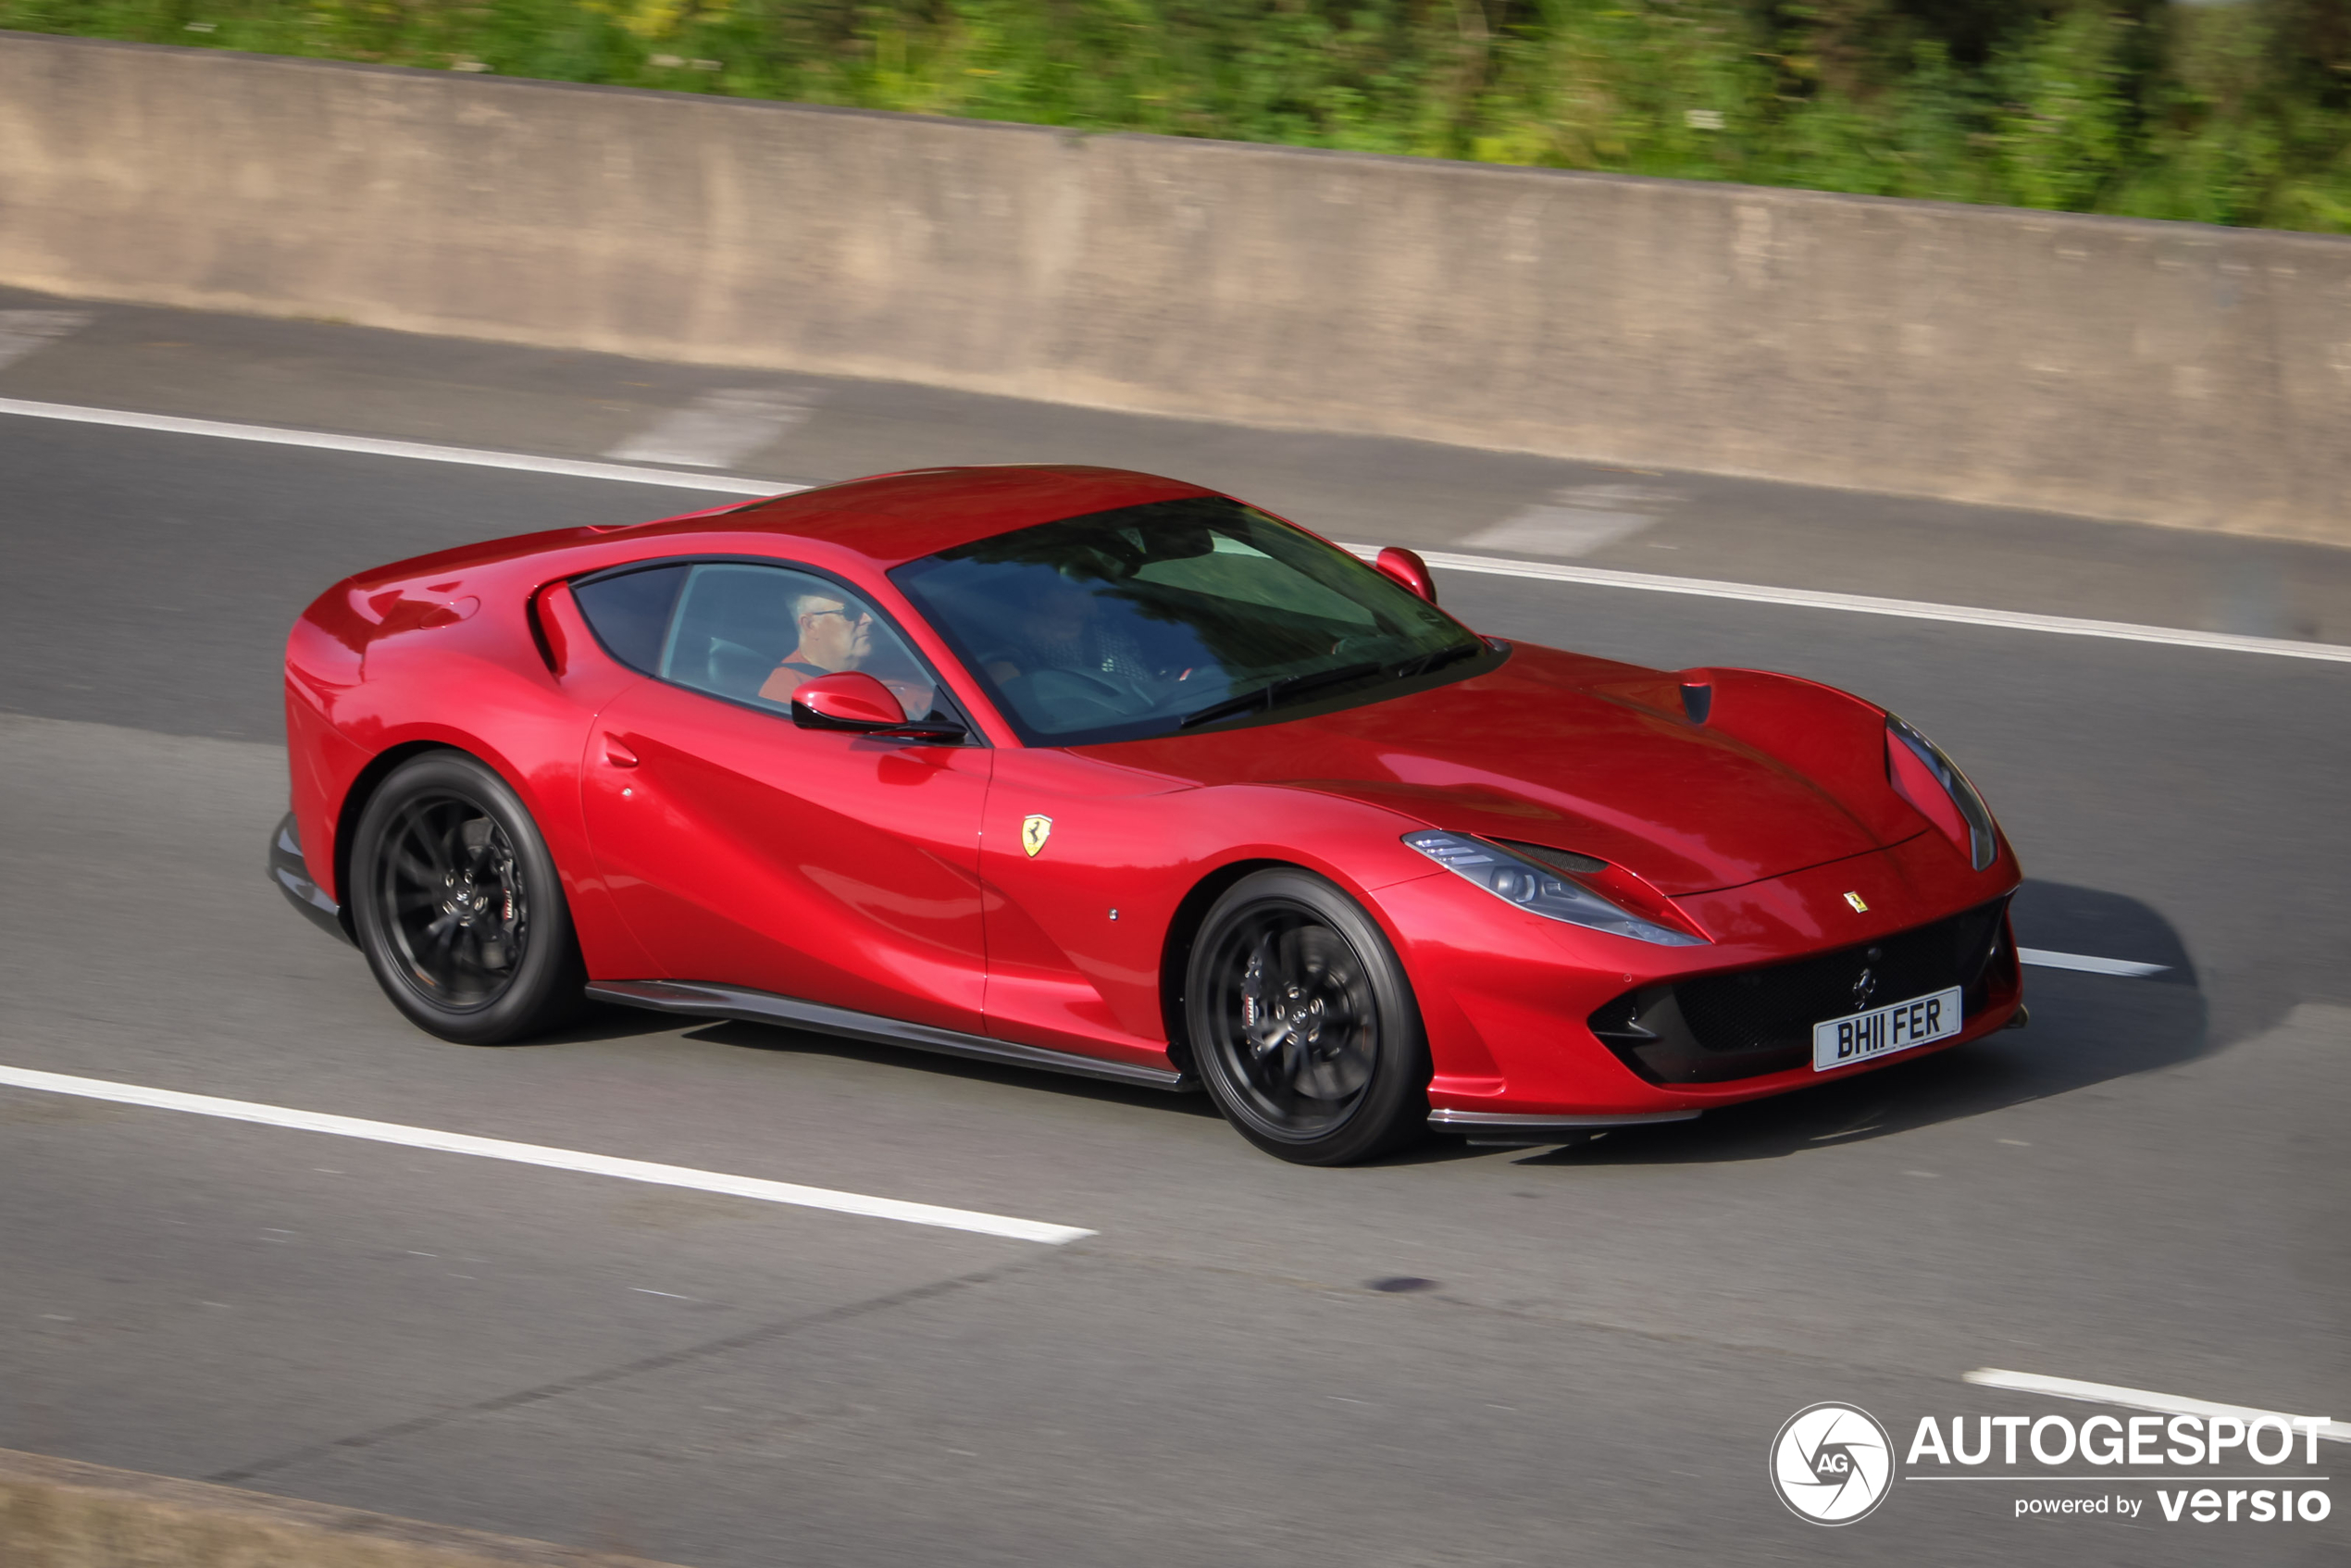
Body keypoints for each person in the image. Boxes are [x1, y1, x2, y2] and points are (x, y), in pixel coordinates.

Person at [757, 590, 875, 703]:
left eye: (865, 608)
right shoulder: (788, 693)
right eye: (850, 612)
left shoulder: (880, 662)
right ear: (811, 626)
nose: (869, 619)